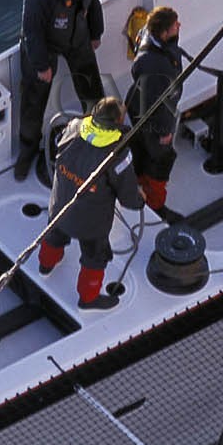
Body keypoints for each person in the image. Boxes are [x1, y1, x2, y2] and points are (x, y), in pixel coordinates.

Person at [38, 97, 143, 310]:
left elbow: (58, 148)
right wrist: (140, 200)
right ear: (118, 120)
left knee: (53, 234)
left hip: (60, 206)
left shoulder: (74, 127)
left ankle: (45, 265)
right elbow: (128, 197)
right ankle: (88, 298)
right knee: (95, 257)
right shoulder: (118, 153)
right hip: (91, 224)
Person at [16, 0, 106, 181]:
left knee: (92, 89)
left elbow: (94, 2)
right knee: (34, 100)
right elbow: (31, 31)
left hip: (77, 38)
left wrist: (96, 33)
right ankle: (27, 150)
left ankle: (99, 135)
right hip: (44, 46)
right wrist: (40, 65)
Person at [123, 6, 183, 212]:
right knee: (162, 157)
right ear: (164, 33)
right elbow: (162, 102)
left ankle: (137, 183)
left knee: (138, 147)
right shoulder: (159, 67)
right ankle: (153, 202)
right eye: (175, 26)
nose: (179, 27)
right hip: (151, 116)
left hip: (136, 105)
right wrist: (164, 131)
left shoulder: (148, 37)